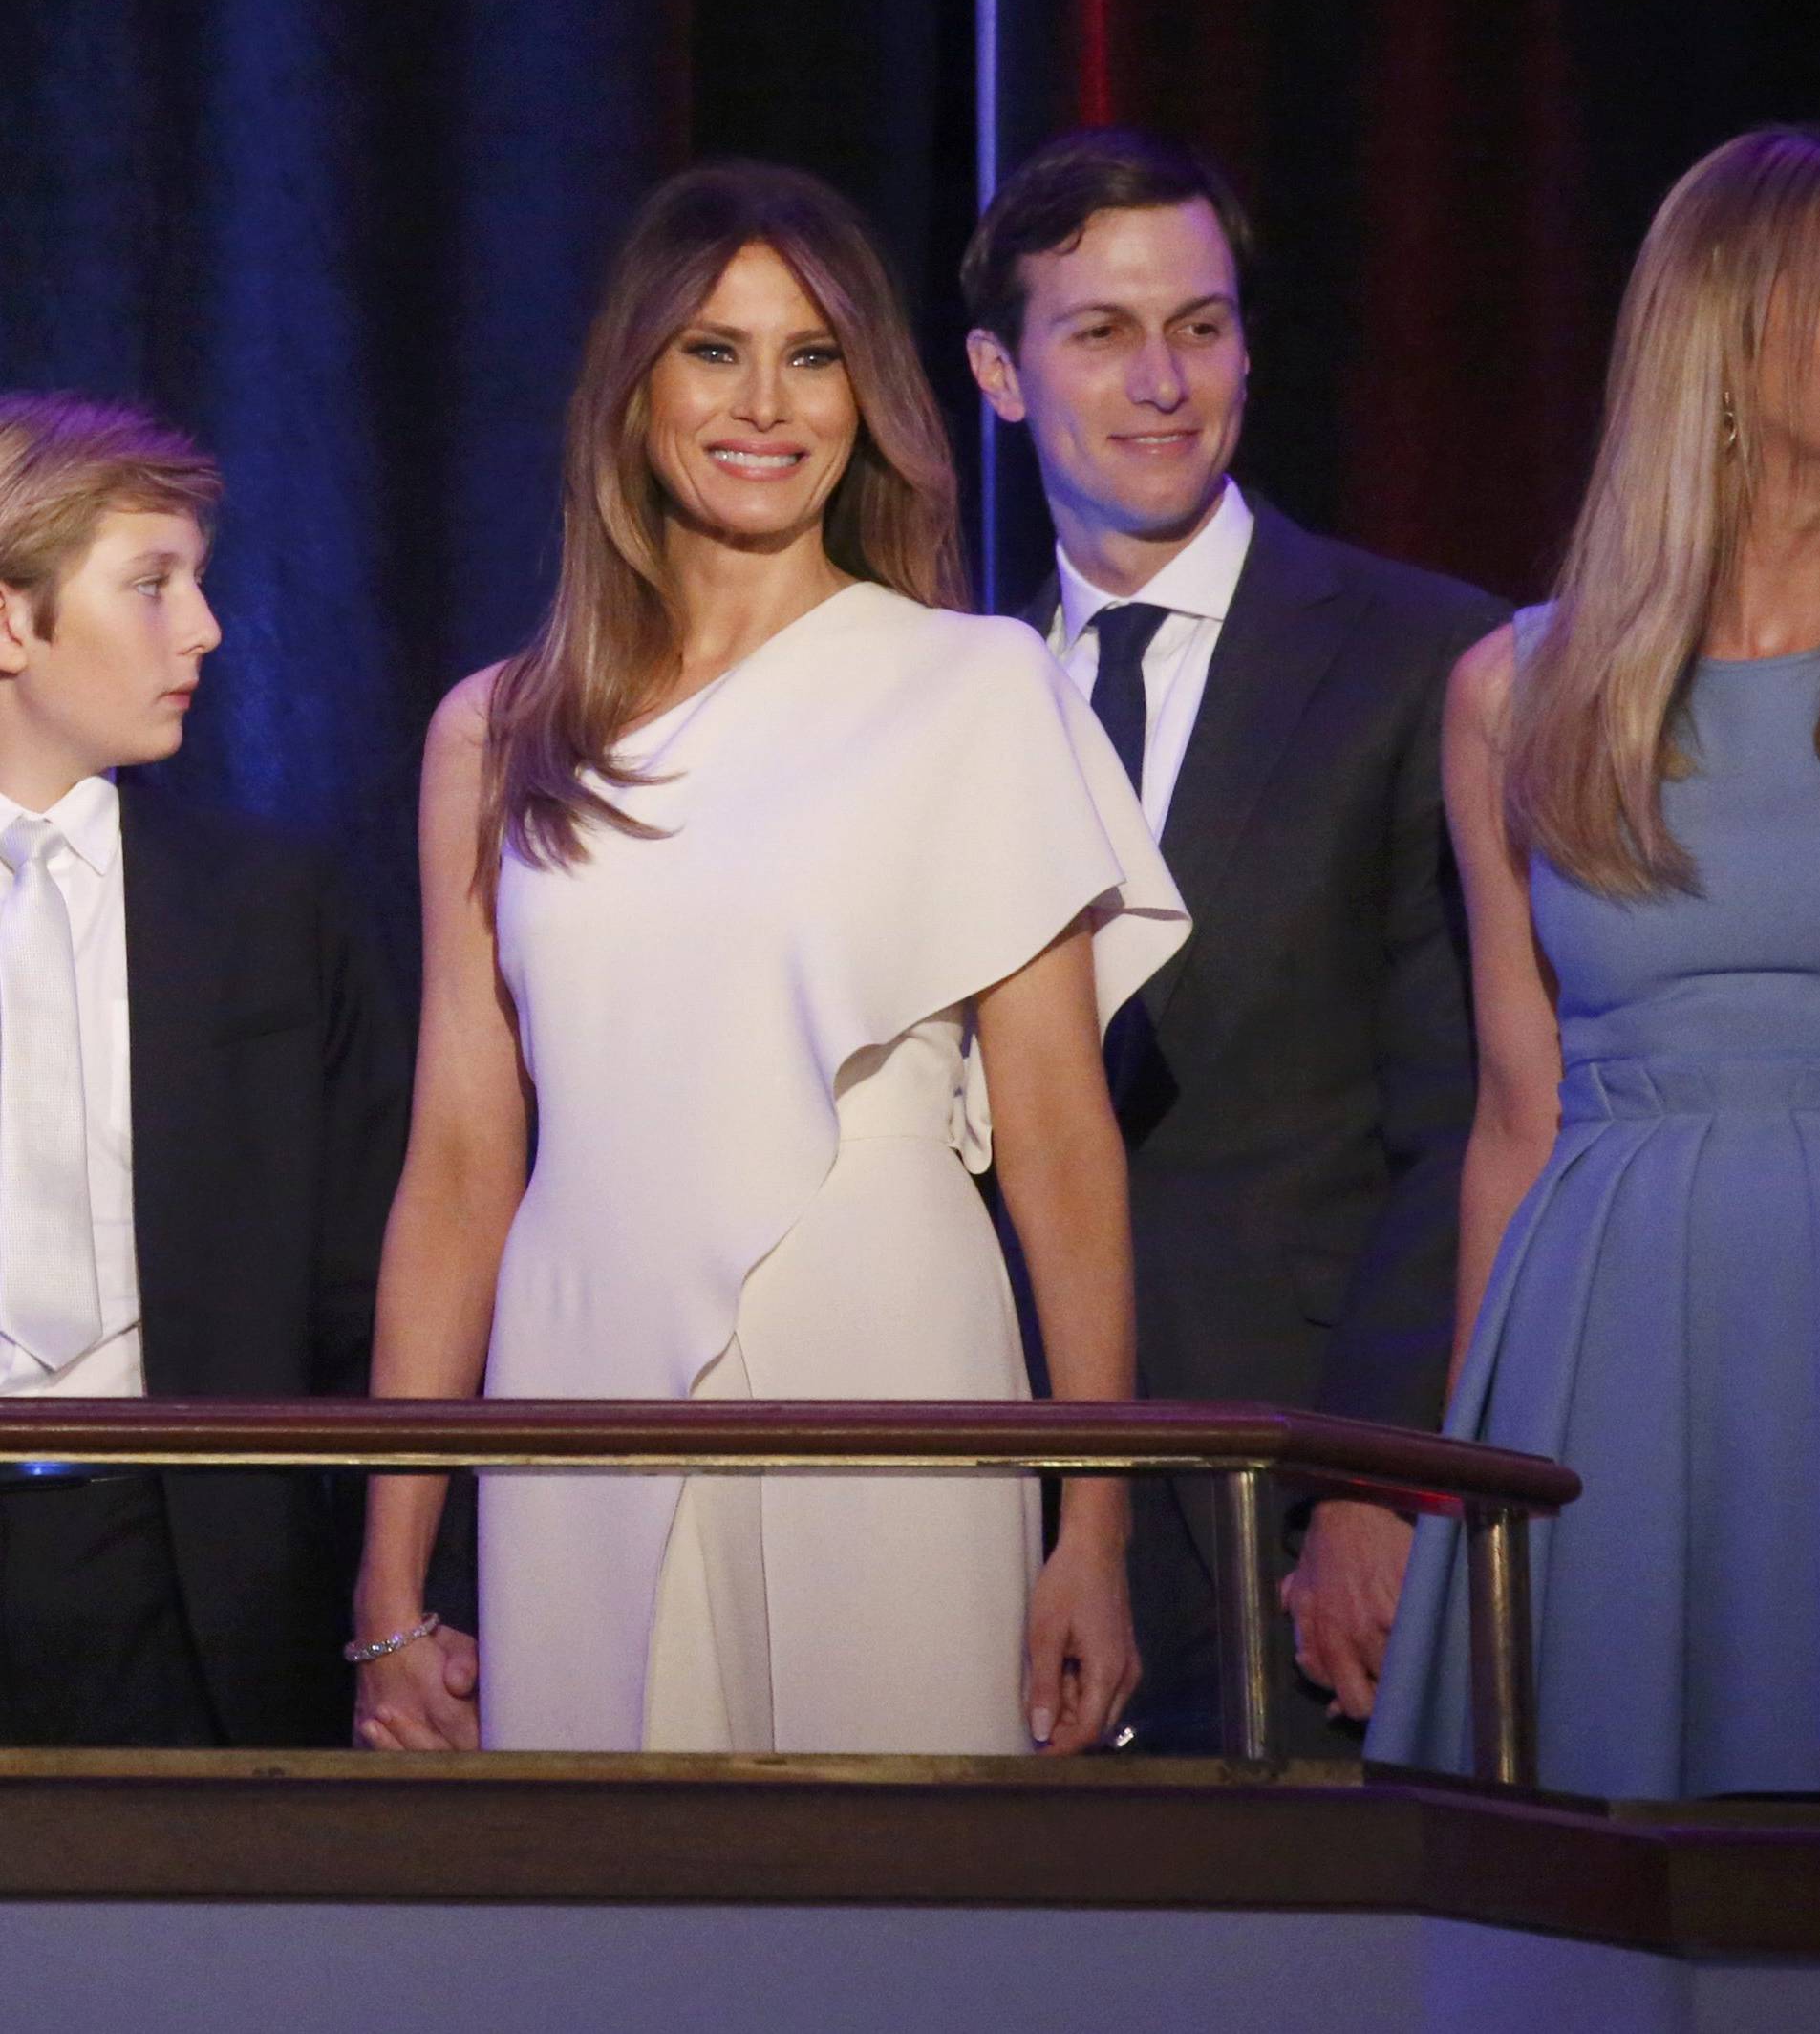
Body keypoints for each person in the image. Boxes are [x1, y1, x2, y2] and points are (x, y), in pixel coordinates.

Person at [353, 161, 1187, 1756]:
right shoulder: (503, 730)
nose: (769, 403)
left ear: (866, 394)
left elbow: (1064, 1141)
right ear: (636, 384)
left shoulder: (972, 686)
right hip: (579, 1362)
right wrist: (392, 1582)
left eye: (813, 356)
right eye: (714, 351)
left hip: (888, 1345)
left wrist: (1098, 1526)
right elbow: (461, 1161)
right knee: (615, 1918)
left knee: (897, 1903)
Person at [963, 129, 1503, 1752]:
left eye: (1199, 327)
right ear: (1001, 372)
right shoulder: (942, 686)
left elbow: (1468, 1114)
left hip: (1300, 1492)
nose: (1162, 381)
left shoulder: (1429, 656)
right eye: (1102, 332)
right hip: (998, 1466)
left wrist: (1375, 1480)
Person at [1370, 127, 1820, 1799]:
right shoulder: (1521, 689)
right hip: (1610, 1319)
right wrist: (1459, 1476)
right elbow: (1516, 1107)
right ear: (1724, 329)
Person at [0, 392, 410, 1745]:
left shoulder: (269, 909)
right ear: (13, 618)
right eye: (151, 584)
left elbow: (362, 1282)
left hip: (193, 1560)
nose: (206, 630)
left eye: (199, 581)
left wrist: (397, 1592)